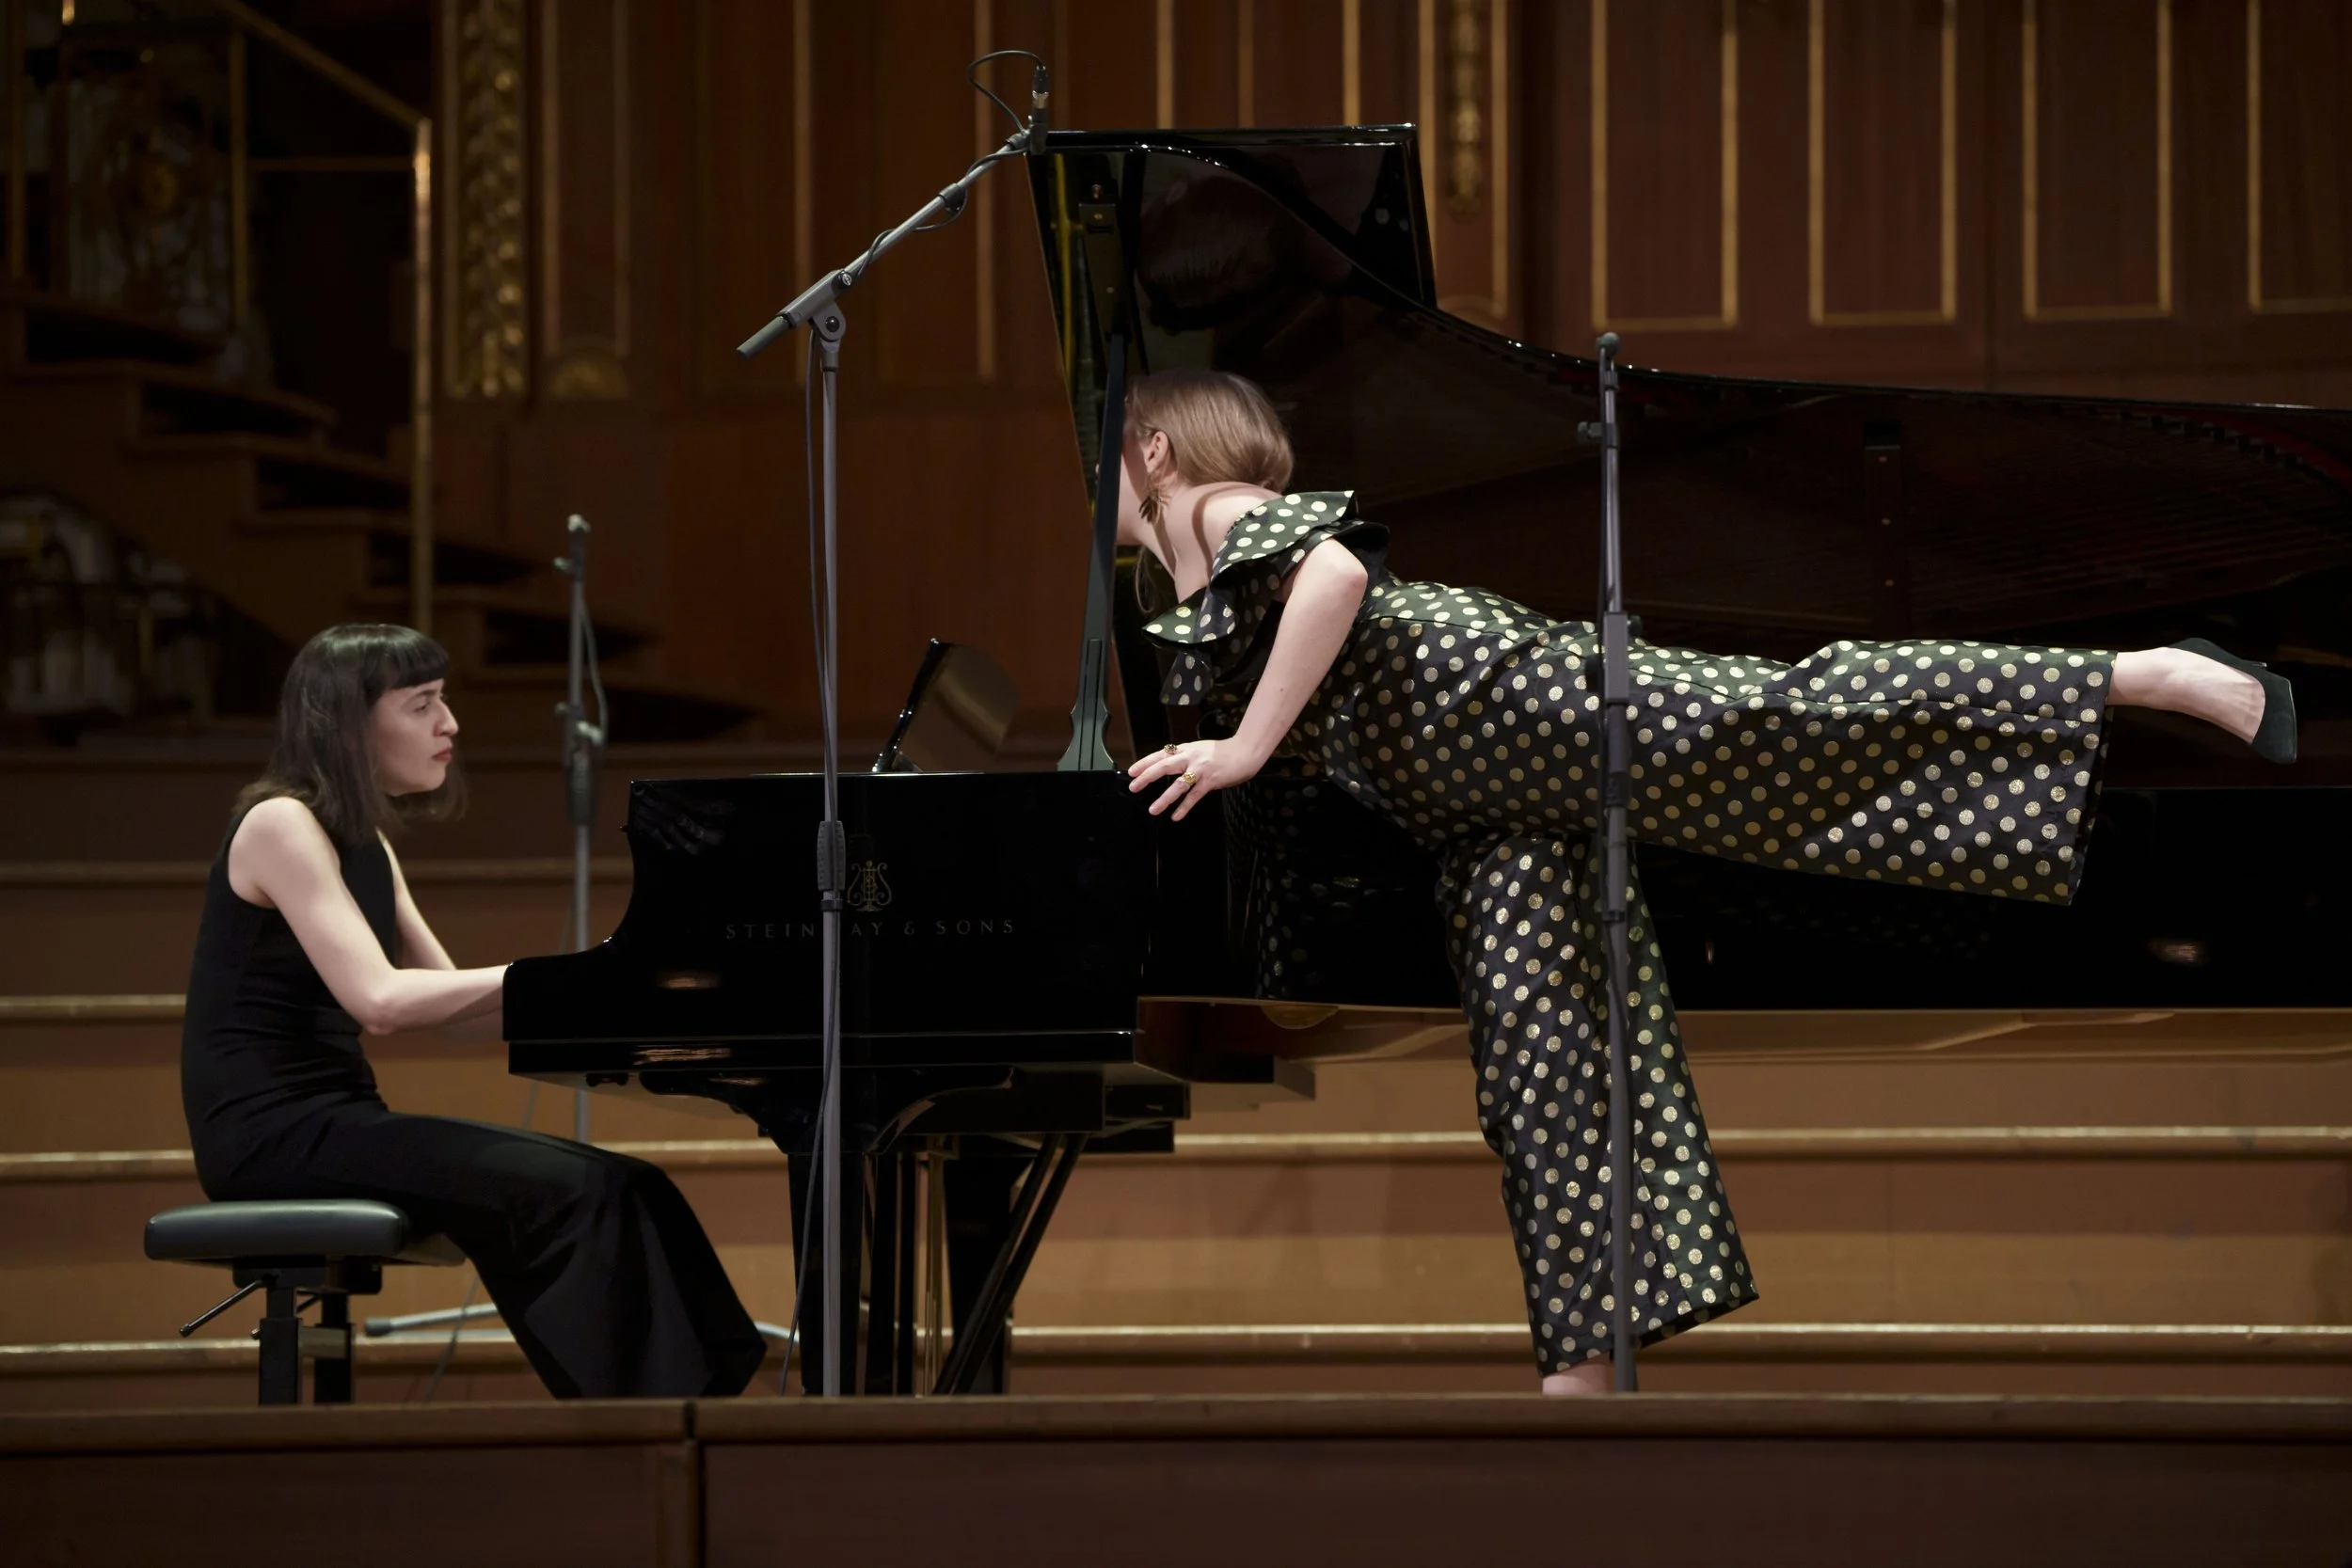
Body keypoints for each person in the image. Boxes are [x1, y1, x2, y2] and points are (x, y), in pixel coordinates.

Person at [1114, 369, 2296, 1396]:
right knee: (1540, 1050)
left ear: (1155, 449)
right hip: (1466, 808)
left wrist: (1248, 744)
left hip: (1502, 703)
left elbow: (1331, 575)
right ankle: (1580, 1367)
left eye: (1105, 451)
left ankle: (2153, 674)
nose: (1094, 481)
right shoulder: (1176, 575)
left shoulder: (1223, 508)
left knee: (1796, 708)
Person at [181, 624, 766, 1399]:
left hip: (333, 1119)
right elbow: (381, 1001)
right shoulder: (280, 823)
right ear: (349, 721)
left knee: (633, 1182)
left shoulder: (366, 845)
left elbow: (453, 1008)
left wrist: (617, 995)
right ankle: (642, 1425)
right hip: (270, 1133)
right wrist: (575, 974)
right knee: (570, 1194)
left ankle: (714, 1406)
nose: (449, 724)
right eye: (422, 704)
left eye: (443, 701)